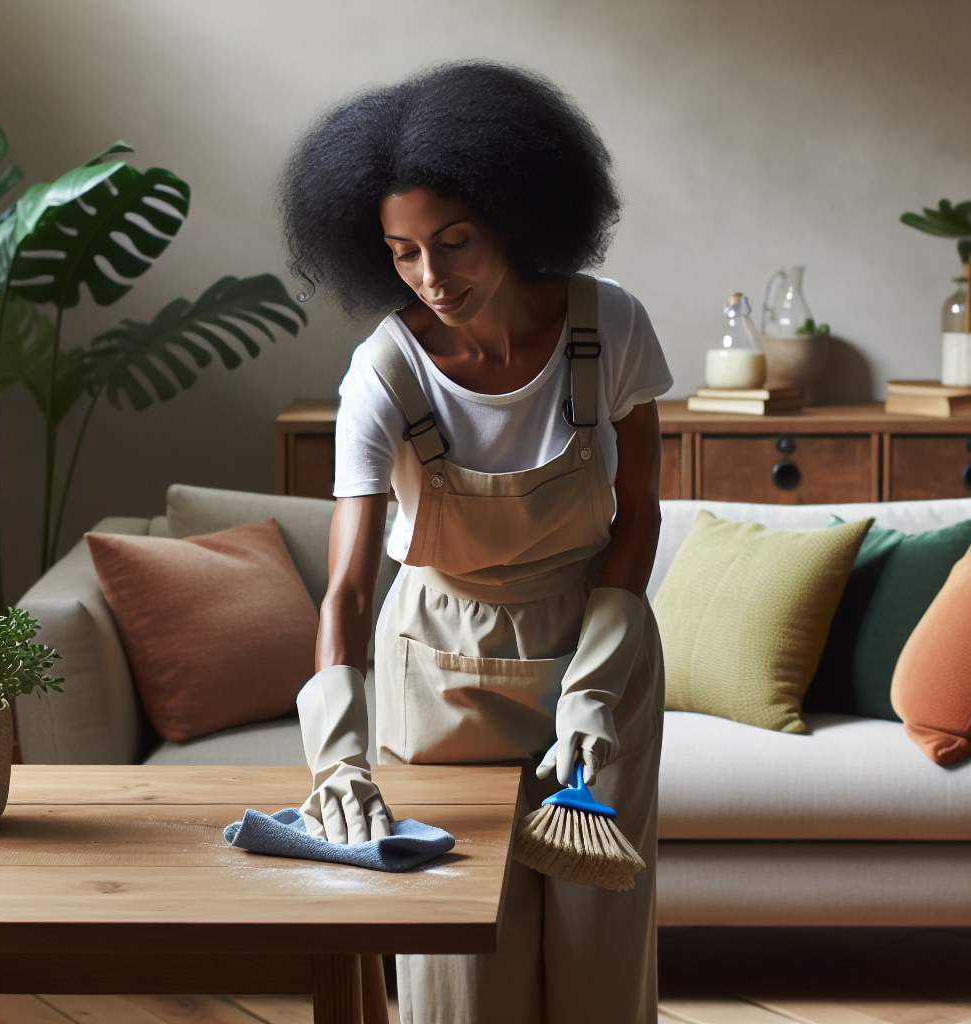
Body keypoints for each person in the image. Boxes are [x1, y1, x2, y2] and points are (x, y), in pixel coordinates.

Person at [280, 60, 672, 1024]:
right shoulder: (383, 375)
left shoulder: (609, 326)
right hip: (440, 668)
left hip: (597, 654)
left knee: (600, 946)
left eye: (453, 242)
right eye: (403, 251)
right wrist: (339, 759)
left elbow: (642, 512)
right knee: (459, 960)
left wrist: (595, 680)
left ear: (517, 216)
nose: (430, 276)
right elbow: (346, 590)